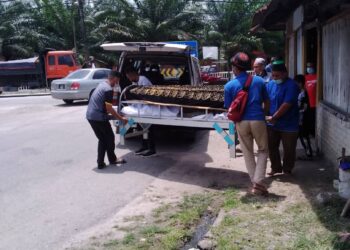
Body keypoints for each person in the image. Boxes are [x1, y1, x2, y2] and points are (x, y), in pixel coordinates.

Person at [224, 52, 270, 196]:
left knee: (247, 152)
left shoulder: (229, 86)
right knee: (263, 150)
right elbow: (267, 102)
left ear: (235, 68)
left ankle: (255, 182)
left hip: (241, 122)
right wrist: (263, 114)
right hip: (258, 120)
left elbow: (229, 107)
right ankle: (258, 182)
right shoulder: (260, 81)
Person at [86, 71, 128, 169]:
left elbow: (106, 108)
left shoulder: (101, 85)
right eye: (117, 81)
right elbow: (109, 108)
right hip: (99, 118)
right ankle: (112, 159)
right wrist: (121, 118)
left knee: (102, 139)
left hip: (90, 116)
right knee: (109, 138)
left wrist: (114, 116)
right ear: (113, 78)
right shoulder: (108, 89)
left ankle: (100, 163)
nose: (116, 84)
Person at [266, 60, 300, 175]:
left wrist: (274, 117)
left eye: (277, 75)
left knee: (289, 149)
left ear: (285, 74)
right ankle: (275, 168)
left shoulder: (292, 85)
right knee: (271, 147)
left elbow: (287, 104)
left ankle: (287, 169)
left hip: (289, 123)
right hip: (272, 123)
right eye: (273, 75)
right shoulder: (271, 84)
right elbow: (266, 101)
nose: (275, 78)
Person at [125, 67, 156, 157]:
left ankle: (151, 149)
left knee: (148, 129)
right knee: (141, 129)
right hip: (141, 110)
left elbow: (144, 96)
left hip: (147, 109)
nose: (129, 79)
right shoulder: (135, 82)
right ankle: (144, 146)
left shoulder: (144, 81)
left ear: (133, 75)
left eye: (129, 77)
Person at [295, 74, 313, 158]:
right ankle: (308, 152)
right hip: (298, 118)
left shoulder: (304, 93)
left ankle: (309, 153)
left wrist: (298, 110)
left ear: (300, 83)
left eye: (297, 83)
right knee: (300, 136)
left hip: (303, 119)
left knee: (304, 136)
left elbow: (305, 107)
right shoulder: (298, 92)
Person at [305, 62, 317, 136]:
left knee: (314, 118)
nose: (309, 68)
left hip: (315, 101)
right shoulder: (305, 77)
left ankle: (313, 132)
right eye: (308, 67)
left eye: (311, 67)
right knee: (308, 118)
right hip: (307, 101)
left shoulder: (317, 76)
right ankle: (309, 132)